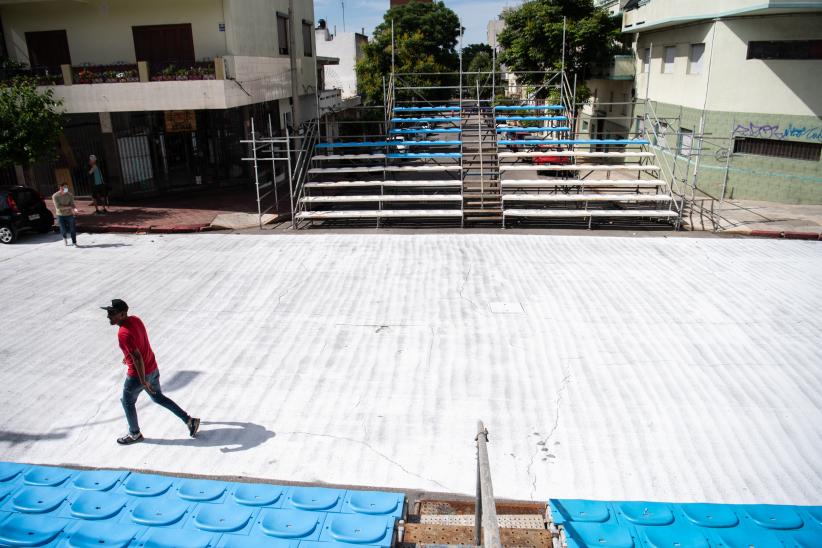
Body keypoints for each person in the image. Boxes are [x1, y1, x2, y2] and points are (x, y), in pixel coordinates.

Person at [102, 299, 200, 445]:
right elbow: (140, 343)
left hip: (137, 375)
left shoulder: (123, 333)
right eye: (108, 312)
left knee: (127, 401)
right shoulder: (135, 320)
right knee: (158, 397)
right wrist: (127, 356)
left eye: (112, 313)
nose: (108, 316)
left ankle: (134, 433)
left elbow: (137, 357)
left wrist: (142, 381)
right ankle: (189, 420)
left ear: (122, 314)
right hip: (152, 368)